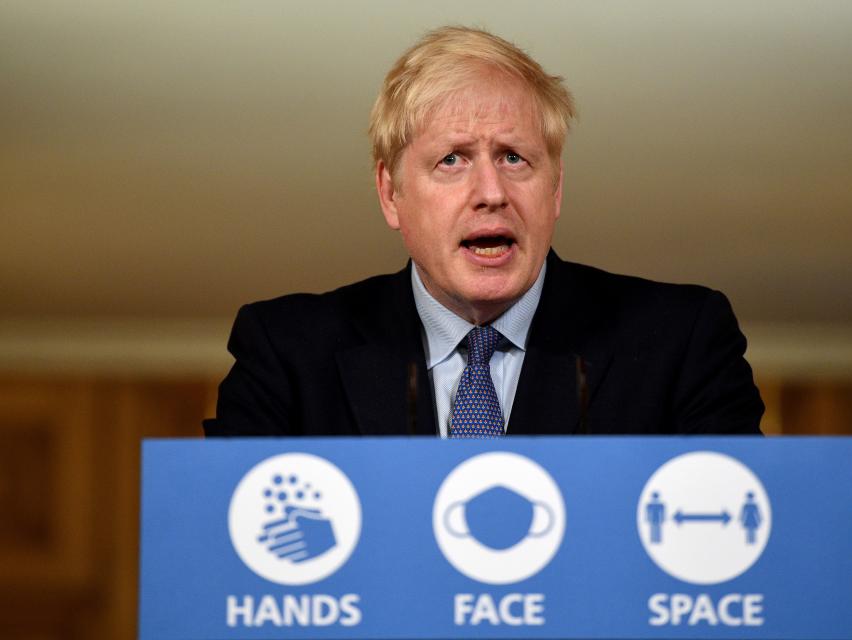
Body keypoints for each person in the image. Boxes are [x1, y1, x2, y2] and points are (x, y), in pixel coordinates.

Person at [203, 26, 764, 438]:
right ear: (390, 192)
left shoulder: (680, 341)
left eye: (515, 158)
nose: (491, 191)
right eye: (452, 160)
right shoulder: (288, 352)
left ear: (556, 188)